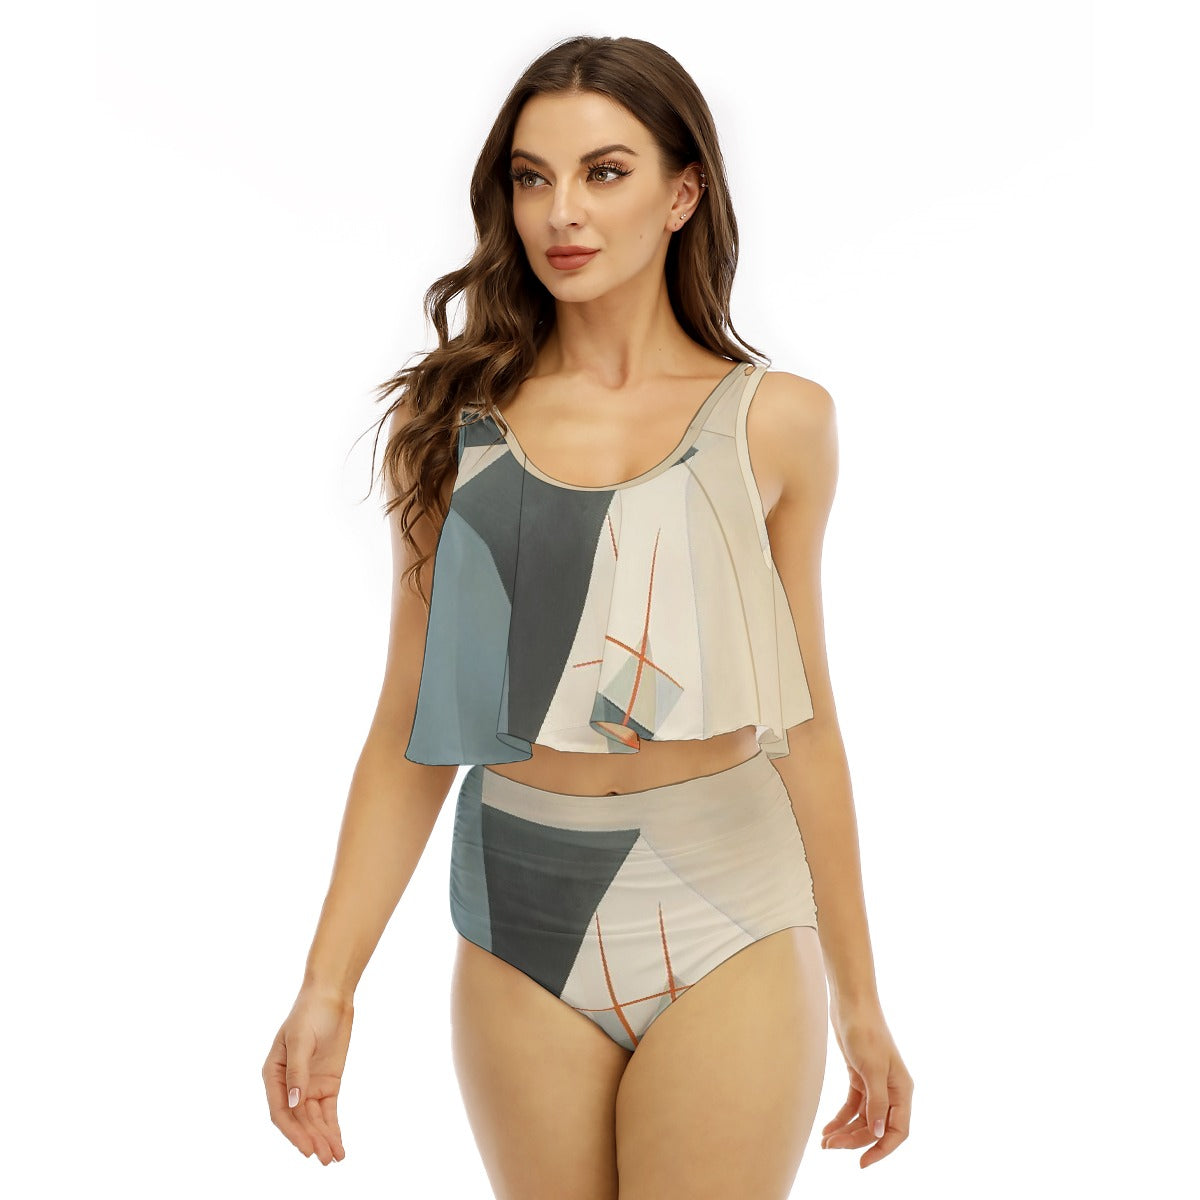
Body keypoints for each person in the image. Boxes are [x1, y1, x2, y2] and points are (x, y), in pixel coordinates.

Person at [262, 33, 913, 1197]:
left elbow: (805, 721)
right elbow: (413, 720)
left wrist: (861, 1001)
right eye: (532, 176)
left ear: (683, 193)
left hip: (730, 905)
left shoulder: (778, 424)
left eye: (605, 172)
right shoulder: (452, 427)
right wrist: (329, 982)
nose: (561, 211)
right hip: (522, 904)